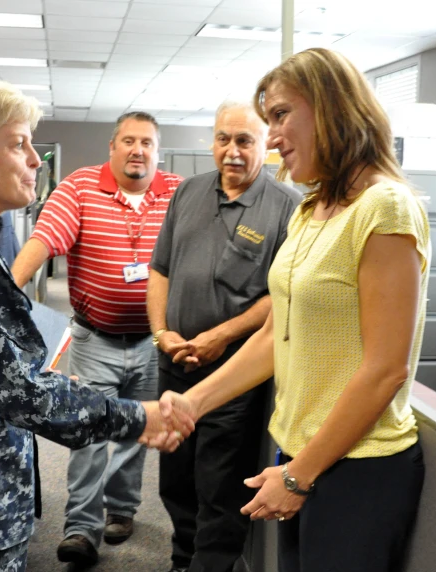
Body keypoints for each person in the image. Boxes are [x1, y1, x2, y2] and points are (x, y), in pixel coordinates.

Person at [0, 81, 192, 572]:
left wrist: (34, 382)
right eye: (18, 143)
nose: (35, 160)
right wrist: (142, 418)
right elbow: (24, 394)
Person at [156, 47, 430, 572]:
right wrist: (195, 403)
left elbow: (384, 370)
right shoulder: (311, 209)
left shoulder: (385, 206)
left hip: (358, 467)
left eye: (280, 115)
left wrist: (299, 475)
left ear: (330, 108)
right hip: (303, 454)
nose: (273, 137)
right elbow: (275, 335)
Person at [11, 111, 183, 566]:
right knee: (86, 431)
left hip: (152, 340)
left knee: (133, 430)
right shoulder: (81, 187)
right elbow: (46, 238)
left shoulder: (177, 193)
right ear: (112, 147)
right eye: (128, 141)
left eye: (147, 142)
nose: (137, 150)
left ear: (156, 152)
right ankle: (81, 528)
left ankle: (122, 511)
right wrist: (7, 290)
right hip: (95, 339)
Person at [147, 101, 301, 572]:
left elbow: (279, 298)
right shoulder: (187, 192)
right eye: (223, 139)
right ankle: (182, 559)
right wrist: (162, 333)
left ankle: (210, 565)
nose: (231, 151)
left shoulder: (286, 209)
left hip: (234, 371)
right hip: (174, 365)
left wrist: (219, 336)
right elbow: (160, 270)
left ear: (265, 148)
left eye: (244, 141)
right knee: (174, 476)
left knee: (219, 484)